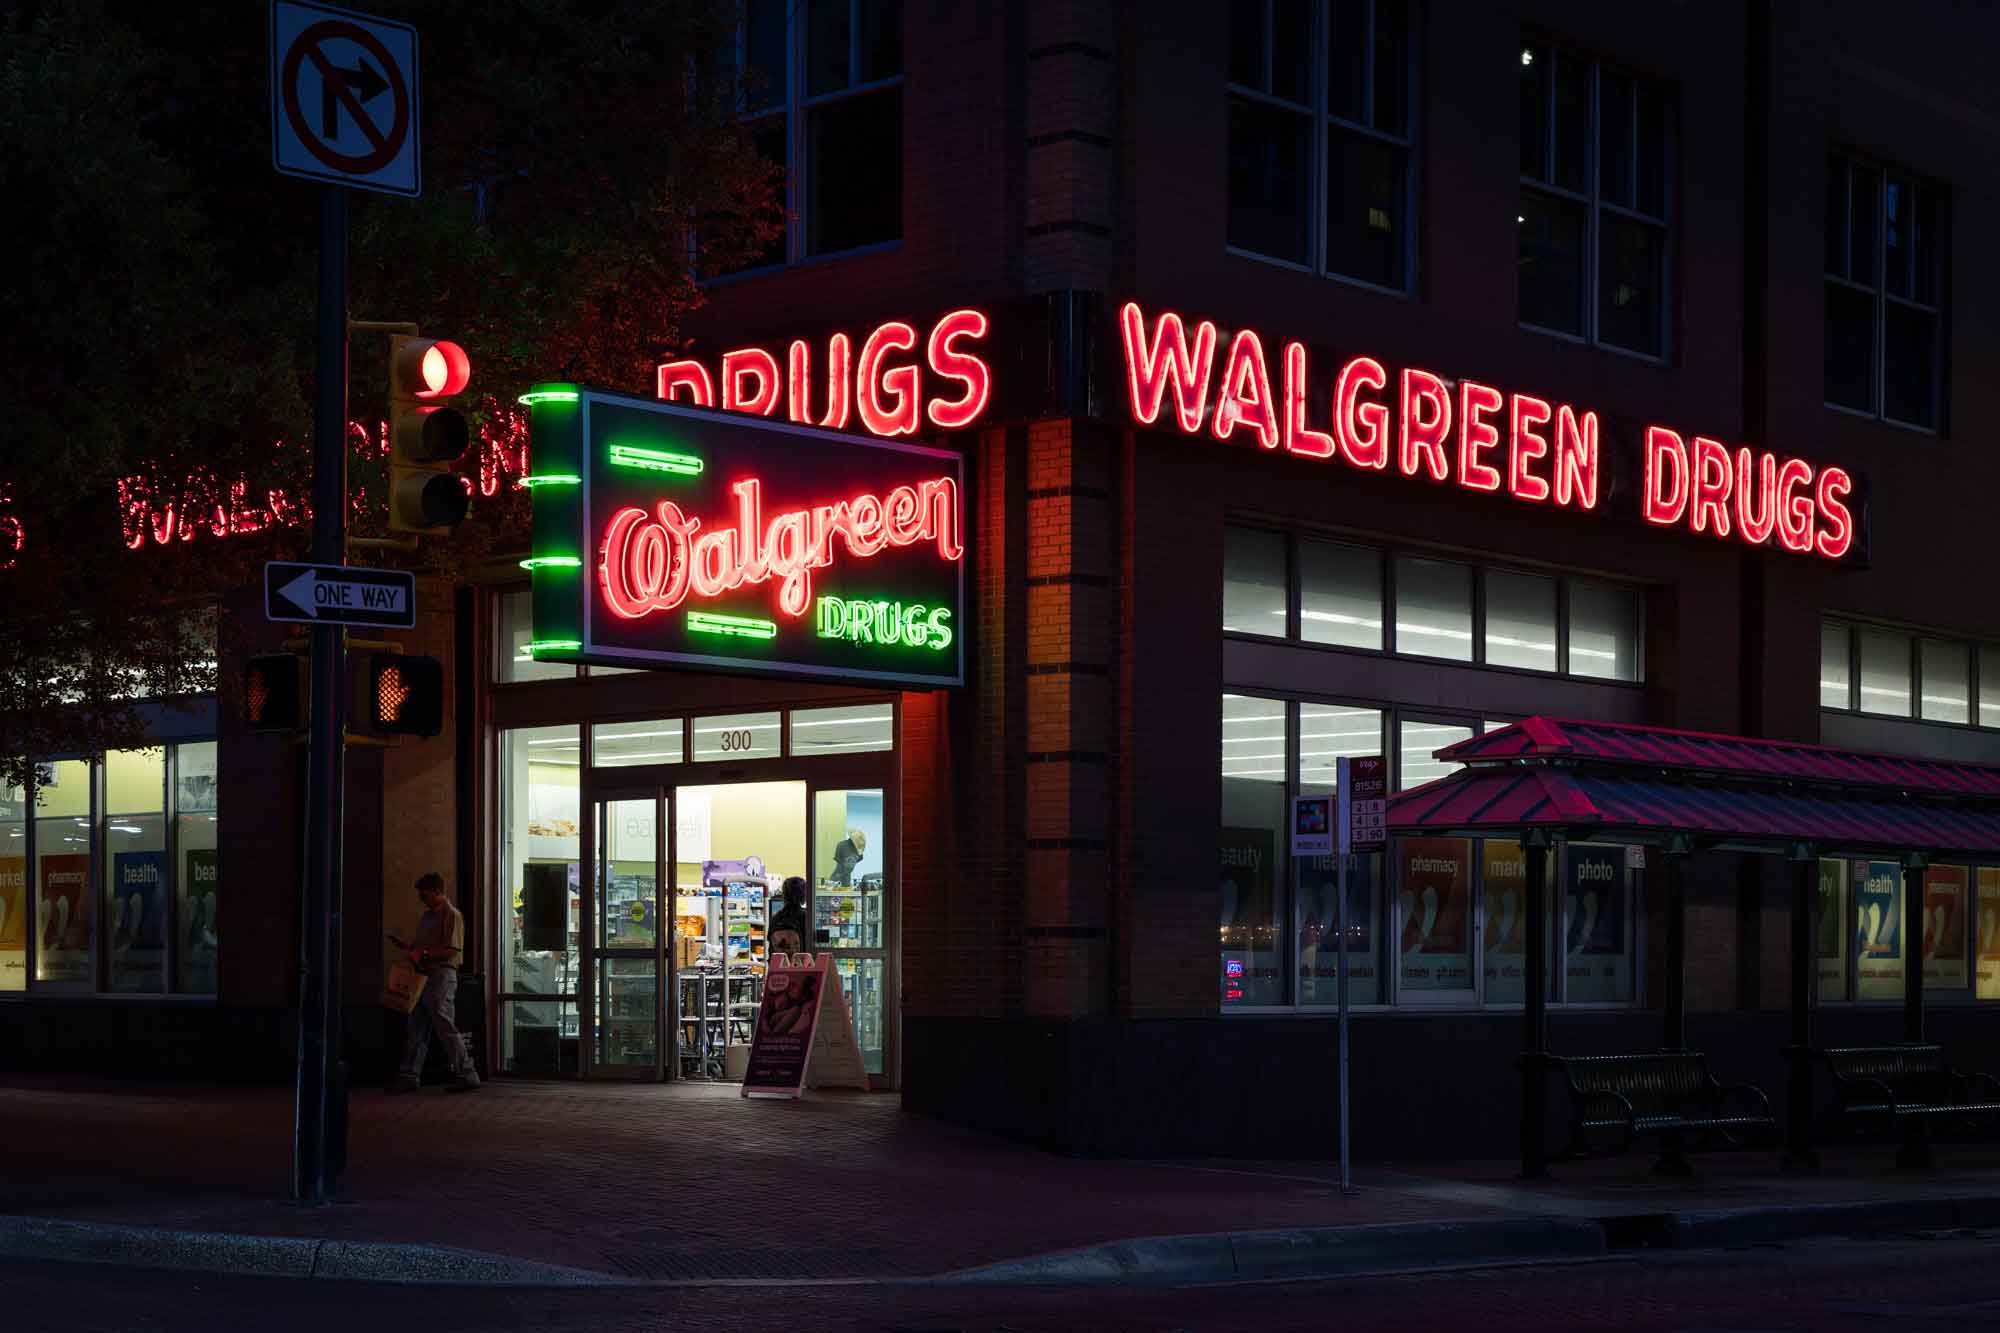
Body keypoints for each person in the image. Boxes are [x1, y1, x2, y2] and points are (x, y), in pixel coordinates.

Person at [391, 871, 481, 1093]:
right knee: (417, 1026)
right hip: (425, 975)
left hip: (441, 975)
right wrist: (410, 948)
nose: (421, 898)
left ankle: (467, 1074)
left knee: (443, 1024)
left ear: (438, 891)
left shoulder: (451, 915)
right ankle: (410, 1076)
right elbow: (429, 948)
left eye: (425, 894)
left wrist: (420, 954)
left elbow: (451, 951)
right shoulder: (428, 916)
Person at [768, 876, 809, 959]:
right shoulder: (806, 917)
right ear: (803, 895)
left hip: (780, 966)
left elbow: (771, 948)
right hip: (801, 966)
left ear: (784, 894)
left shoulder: (776, 918)